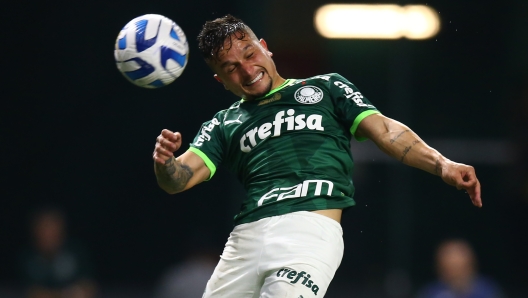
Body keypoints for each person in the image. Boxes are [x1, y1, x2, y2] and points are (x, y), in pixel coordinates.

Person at [152, 14, 482, 297]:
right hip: (244, 241)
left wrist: (442, 164)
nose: (247, 70)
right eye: (232, 68)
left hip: (307, 231)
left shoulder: (327, 88)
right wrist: (166, 163)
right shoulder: (224, 123)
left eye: (250, 54)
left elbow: (385, 130)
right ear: (220, 80)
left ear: (265, 46)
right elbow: (179, 179)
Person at [18, 208, 96, 298]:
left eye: (52, 228)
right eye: (44, 228)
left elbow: (89, 286)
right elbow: (33, 292)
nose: (48, 234)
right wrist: (65, 294)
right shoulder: (27, 258)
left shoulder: (76, 252)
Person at [417, 239, 503, 298]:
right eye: (449, 269)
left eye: (459, 268)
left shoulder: (488, 292)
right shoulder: (431, 293)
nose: (455, 275)